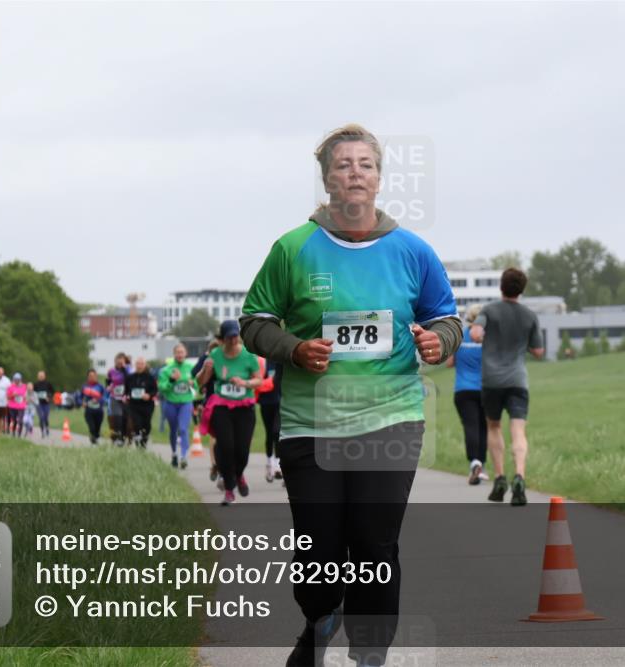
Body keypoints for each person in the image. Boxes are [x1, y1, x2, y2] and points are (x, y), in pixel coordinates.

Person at [240, 125, 460, 667]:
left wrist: (439, 341)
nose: (355, 173)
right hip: (309, 422)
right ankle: (319, 620)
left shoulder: (413, 250)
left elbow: (446, 318)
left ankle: (369, 653)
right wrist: (292, 348)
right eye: (343, 165)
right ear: (327, 179)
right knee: (319, 550)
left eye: (365, 164)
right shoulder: (293, 248)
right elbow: (254, 322)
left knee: (374, 545)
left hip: (392, 418)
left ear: (380, 178)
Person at [470, 268, 544, 506]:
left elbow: (476, 333)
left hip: (492, 381)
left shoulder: (489, 310)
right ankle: (520, 477)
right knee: (518, 431)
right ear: (521, 289)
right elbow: (538, 351)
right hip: (518, 380)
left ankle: (500, 478)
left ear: (502, 286)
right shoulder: (530, 316)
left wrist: (480, 333)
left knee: (493, 427)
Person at [195, 320, 261, 506]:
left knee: (242, 450)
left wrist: (245, 383)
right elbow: (200, 383)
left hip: (244, 407)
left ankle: (239, 475)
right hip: (221, 407)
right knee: (225, 447)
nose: (233, 340)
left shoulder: (248, 355)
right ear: (222, 339)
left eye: (235, 336)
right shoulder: (215, 355)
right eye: (229, 337)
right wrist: (205, 371)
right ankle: (229, 489)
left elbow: (259, 381)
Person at [449, 304, 488, 485]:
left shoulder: (460, 336)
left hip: (463, 389)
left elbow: (449, 362)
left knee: (470, 426)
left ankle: (474, 463)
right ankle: (481, 464)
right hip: (485, 389)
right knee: (484, 427)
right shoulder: (487, 339)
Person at [158, 344, 197, 468]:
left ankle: (183, 456)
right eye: (177, 352)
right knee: (173, 430)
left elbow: (198, 384)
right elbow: (162, 388)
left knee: (183, 429)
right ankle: (174, 453)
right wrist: (171, 380)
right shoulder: (166, 370)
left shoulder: (191, 368)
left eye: (182, 352)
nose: (180, 355)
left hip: (186, 402)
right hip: (171, 403)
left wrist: (193, 383)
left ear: (186, 354)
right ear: (174, 354)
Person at [193, 337, 222, 481]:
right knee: (214, 436)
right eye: (213, 352)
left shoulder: (229, 363)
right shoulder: (207, 362)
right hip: (211, 404)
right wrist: (205, 367)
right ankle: (215, 464)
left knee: (224, 438)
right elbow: (195, 376)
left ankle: (220, 464)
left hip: (230, 404)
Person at [256, 357, 284, 482]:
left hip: (279, 402)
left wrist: (270, 382)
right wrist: (269, 382)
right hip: (265, 402)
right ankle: (269, 464)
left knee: (276, 432)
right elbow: (257, 382)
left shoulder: (279, 361)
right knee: (269, 433)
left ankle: (278, 465)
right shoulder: (261, 362)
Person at [125, 357, 158, 448]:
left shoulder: (150, 377)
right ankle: (138, 442)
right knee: (137, 423)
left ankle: (144, 440)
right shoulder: (130, 377)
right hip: (134, 405)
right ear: (135, 365)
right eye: (138, 364)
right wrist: (128, 395)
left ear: (145, 365)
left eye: (141, 364)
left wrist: (149, 395)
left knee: (146, 424)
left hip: (147, 405)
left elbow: (155, 390)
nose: (139, 366)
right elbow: (126, 390)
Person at [106, 353, 129, 446]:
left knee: (125, 419)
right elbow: (108, 381)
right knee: (117, 417)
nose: (119, 363)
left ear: (124, 361)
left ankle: (123, 437)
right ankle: (118, 438)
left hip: (125, 398)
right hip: (114, 397)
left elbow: (129, 380)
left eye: (121, 361)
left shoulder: (128, 370)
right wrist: (108, 386)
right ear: (115, 361)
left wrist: (124, 370)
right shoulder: (111, 371)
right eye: (118, 361)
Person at [82, 369, 106, 444]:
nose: (92, 377)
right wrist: (82, 403)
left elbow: (105, 397)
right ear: (88, 377)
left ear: (96, 377)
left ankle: (96, 436)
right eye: (90, 376)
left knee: (97, 428)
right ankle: (93, 438)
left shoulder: (100, 387)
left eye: (93, 376)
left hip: (99, 411)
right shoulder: (84, 387)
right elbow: (79, 397)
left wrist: (99, 400)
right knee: (92, 427)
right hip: (89, 410)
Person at [32, 370, 54, 438]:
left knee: (45, 417)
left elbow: (52, 392)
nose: (41, 377)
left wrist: (49, 397)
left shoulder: (48, 384)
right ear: (38, 377)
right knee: (41, 417)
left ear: (44, 376)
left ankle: (47, 427)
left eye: (42, 376)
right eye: (39, 376)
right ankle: (42, 432)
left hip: (46, 403)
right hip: (39, 404)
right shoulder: (35, 385)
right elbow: (33, 393)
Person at [6, 373, 28, 438]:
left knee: (20, 421)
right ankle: (13, 432)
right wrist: (13, 395)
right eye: (15, 379)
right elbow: (8, 397)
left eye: (18, 379)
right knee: (14, 420)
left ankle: (19, 435)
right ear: (13, 380)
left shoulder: (24, 386)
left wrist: (26, 398)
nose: (17, 381)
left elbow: (26, 395)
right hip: (12, 406)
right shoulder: (10, 387)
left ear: (20, 380)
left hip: (21, 406)